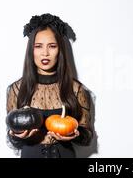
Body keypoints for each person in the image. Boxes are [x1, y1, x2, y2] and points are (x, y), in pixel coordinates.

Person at [5, 13, 94, 158]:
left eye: (52, 46)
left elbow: (87, 136)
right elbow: (12, 140)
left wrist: (75, 135)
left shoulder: (76, 89)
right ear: (31, 51)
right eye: (38, 46)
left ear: (60, 51)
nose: (45, 53)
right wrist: (16, 135)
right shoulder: (17, 89)